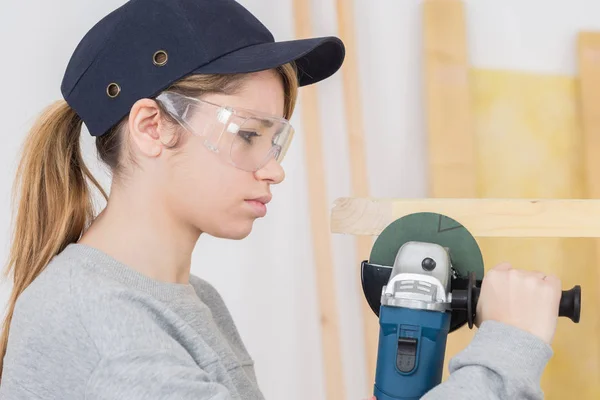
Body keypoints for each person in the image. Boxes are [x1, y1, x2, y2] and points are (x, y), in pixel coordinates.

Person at [0, 0, 563, 399]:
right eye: (248, 135)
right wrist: (509, 348)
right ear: (152, 128)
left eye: (277, 141)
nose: (274, 170)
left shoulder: (189, 299)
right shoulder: (97, 321)